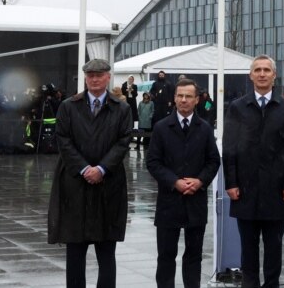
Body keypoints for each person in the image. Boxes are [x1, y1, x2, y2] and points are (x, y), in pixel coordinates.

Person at [47, 59, 133, 288]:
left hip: (109, 186)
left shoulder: (121, 108)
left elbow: (123, 141)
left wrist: (102, 168)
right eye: (90, 75)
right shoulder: (69, 106)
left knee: (107, 252)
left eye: (99, 75)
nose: (94, 79)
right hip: (75, 186)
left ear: (108, 77)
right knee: (75, 252)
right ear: (85, 78)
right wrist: (85, 168)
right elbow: (63, 140)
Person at [222, 55, 284, 288]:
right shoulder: (237, 108)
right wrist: (231, 182)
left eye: (267, 70)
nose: (262, 74)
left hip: (276, 191)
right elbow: (229, 149)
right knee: (248, 249)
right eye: (257, 70)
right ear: (251, 75)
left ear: (274, 76)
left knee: (273, 248)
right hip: (244, 191)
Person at [146, 79, 220, 288]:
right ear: (174, 98)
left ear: (197, 100)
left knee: (194, 256)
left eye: (188, 96)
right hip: (169, 202)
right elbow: (152, 162)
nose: (183, 100)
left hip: (195, 201)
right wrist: (174, 181)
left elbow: (213, 161)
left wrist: (200, 181)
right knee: (166, 256)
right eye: (180, 96)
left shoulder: (204, 129)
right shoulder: (161, 127)